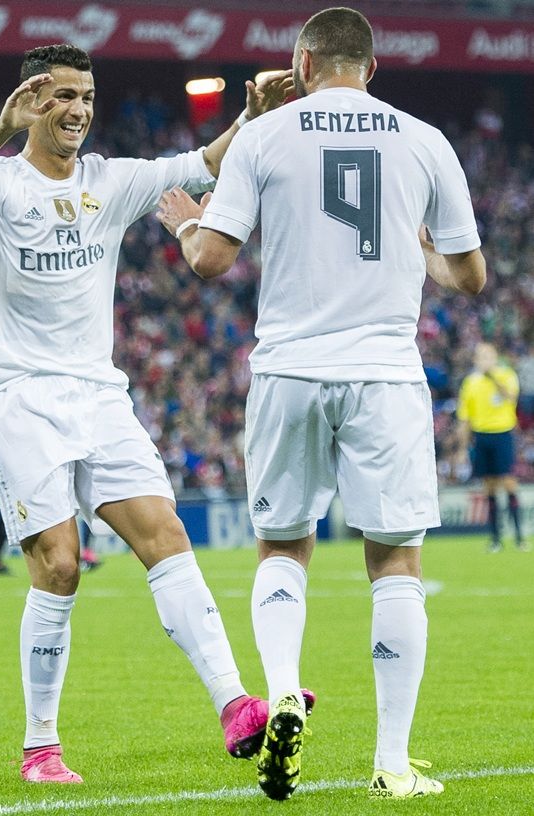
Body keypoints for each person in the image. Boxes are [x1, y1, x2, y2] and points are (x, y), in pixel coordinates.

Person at [0, 44, 305, 783]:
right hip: (21, 396)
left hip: (99, 394)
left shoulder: (111, 181)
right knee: (60, 566)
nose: (79, 110)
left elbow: (202, 163)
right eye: (63, 96)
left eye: (87, 97)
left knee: (165, 534)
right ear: (32, 102)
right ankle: (41, 747)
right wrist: (1, 128)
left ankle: (235, 704)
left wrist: (250, 120)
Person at [157, 6, 486, 801]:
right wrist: (417, 252)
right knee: (396, 564)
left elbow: (210, 260)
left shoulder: (266, 136)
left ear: (303, 63)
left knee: (283, 549)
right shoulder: (424, 139)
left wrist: (183, 222)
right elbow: (470, 278)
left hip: (290, 370)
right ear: (371, 68)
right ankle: (393, 764)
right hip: (383, 374)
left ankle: (279, 695)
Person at [457, 342, 528, 552]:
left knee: (508, 482)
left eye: (488, 356)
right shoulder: (470, 382)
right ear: (475, 360)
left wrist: (493, 378)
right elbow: (464, 418)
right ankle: (495, 538)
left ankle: (519, 536)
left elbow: (512, 397)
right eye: (480, 356)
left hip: (503, 434)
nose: (484, 360)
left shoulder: (506, 376)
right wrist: (462, 448)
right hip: (481, 436)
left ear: (495, 357)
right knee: (488, 487)